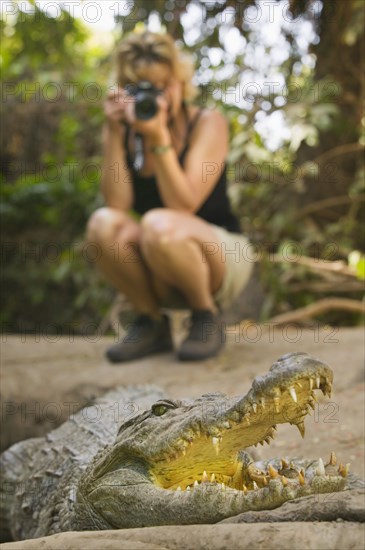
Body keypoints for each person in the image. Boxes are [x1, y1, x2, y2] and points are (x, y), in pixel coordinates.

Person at [87, 31, 253, 363]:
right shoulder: (126, 131)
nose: (156, 98)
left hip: (219, 256)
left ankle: (205, 316)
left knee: (159, 223)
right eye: (143, 90)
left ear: (181, 82)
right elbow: (117, 205)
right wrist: (113, 132)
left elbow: (183, 205)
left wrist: (159, 139)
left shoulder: (208, 123)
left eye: (163, 87)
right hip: (159, 256)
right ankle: (151, 323)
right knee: (103, 224)